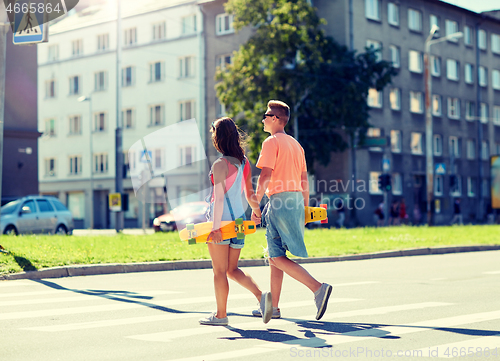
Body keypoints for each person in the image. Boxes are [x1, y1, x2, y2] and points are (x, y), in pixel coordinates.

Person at [251, 100, 332, 321]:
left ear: (276, 119)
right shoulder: (297, 145)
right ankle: (274, 307)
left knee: (276, 257)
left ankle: (318, 288)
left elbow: (265, 176)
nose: (263, 119)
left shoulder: (271, 142)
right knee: (275, 256)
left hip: (279, 201)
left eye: (266, 115)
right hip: (295, 200)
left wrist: (255, 205)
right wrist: (305, 209)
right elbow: (304, 180)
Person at [198, 117, 272, 326]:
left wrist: (215, 228)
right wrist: (256, 212)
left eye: (214, 134)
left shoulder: (220, 164)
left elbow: (219, 198)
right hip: (238, 222)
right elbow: (249, 194)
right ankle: (261, 296)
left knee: (219, 272)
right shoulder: (243, 162)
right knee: (232, 269)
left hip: (222, 223)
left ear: (219, 138)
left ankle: (221, 315)